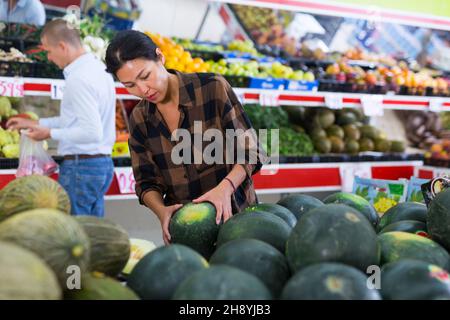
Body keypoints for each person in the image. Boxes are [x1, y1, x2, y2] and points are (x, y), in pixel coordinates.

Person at [105, 30, 265, 245]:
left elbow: (252, 151)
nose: (143, 89)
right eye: (130, 85)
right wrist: (161, 211)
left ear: (160, 57)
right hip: (187, 233)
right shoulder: (140, 119)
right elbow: (146, 182)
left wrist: (224, 188)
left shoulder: (211, 88)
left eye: (145, 76)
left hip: (239, 219)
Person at [7, 19, 116, 217]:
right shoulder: (100, 71)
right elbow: (75, 120)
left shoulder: (79, 78)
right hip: (101, 165)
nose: (48, 57)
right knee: (94, 232)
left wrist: (49, 133)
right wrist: (37, 123)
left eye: (48, 51)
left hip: (81, 168)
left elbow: (91, 132)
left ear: (62, 46)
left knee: (74, 233)